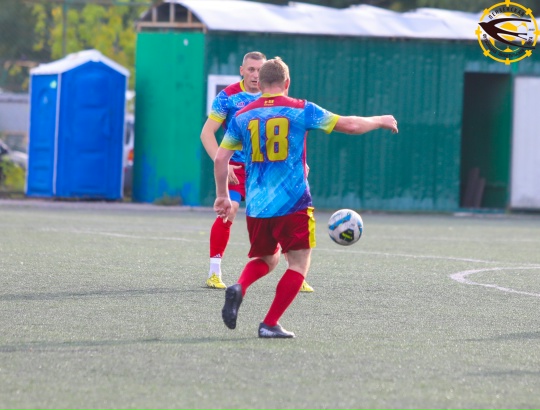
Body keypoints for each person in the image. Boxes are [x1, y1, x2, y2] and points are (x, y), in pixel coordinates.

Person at [214, 57, 398, 338]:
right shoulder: (301, 109)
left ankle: (239, 286)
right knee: (298, 264)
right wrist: (380, 120)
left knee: (268, 258)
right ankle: (269, 323)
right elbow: (350, 125)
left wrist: (222, 196)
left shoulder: (243, 115)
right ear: (287, 83)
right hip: (293, 203)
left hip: (257, 206)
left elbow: (221, 158)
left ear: (259, 84)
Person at [200, 51, 315, 293]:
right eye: (250, 69)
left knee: (284, 212)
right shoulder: (228, 97)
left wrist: (300, 162)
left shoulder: (274, 97)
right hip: (237, 168)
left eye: (259, 70)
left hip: (267, 169)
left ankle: (296, 272)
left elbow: (290, 132)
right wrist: (223, 162)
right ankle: (214, 272)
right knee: (229, 209)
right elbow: (206, 133)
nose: (255, 74)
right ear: (242, 71)